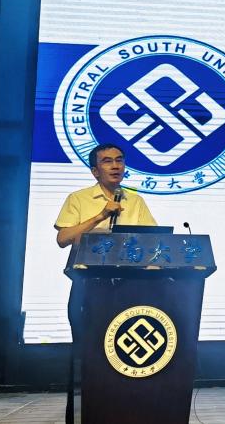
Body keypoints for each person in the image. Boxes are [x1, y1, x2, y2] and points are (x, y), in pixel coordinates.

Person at [55, 143, 158, 424]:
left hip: (129, 286)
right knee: (87, 353)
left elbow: (152, 241)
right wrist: (100, 215)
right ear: (94, 170)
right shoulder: (79, 198)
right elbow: (63, 239)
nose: (115, 166)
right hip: (89, 285)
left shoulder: (135, 200)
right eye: (107, 161)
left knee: (122, 354)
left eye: (119, 160)